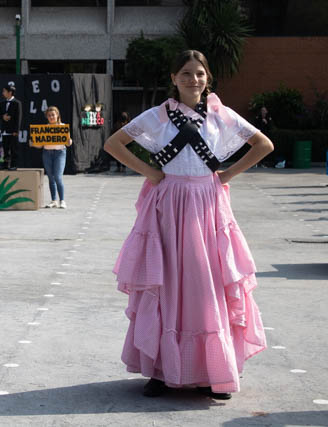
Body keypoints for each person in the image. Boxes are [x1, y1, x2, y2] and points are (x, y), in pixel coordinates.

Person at [104, 50, 273, 400]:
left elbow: (263, 144)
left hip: (208, 206)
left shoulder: (221, 116)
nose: (193, 79)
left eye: (199, 73)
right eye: (185, 73)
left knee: (206, 283)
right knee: (165, 281)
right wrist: (151, 172)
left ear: (207, 78)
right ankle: (162, 372)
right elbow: (114, 143)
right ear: (173, 78)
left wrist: (226, 174)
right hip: (167, 206)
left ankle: (215, 371)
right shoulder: (157, 116)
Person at [30, 106, 72, 209]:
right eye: (49, 115)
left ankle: (62, 200)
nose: (51, 117)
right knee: (50, 177)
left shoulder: (63, 127)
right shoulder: (45, 129)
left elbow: (68, 143)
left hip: (60, 153)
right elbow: (40, 145)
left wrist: (69, 141)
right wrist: (33, 144)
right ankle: (54, 200)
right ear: (47, 117)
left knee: (58, 176)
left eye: (53, 115)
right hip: (47, 153)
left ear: (57, 115)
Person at [0, 84, 22, 170]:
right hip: (5, 130)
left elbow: (18, 118)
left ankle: (14, 165)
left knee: (13, 148)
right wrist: (3, 117)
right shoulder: (2, 103)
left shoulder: (17, 103)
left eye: (4, 91)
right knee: (5, 148)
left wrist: (16, 130)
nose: (3, 93)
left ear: (10, 92)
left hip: (13, 130)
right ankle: (5, 164)